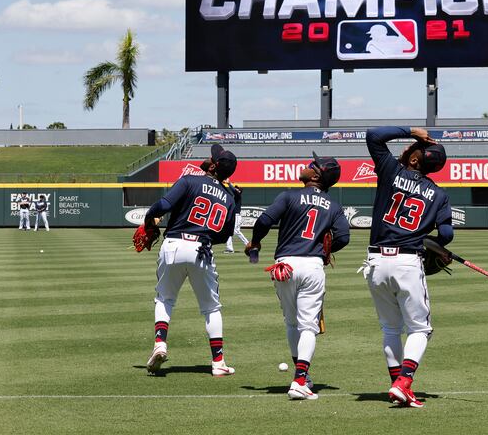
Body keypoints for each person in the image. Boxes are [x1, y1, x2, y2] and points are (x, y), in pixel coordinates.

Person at [360, 127, 453, 408]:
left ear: (414, 160)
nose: (406, 149)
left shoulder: (390, 171)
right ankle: (404, 382)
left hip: (376, 262)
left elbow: (374, 136)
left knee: (390, 328)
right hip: (407, 263)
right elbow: (446, 235)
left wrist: (413, 131)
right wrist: (435, 243)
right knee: (420, 329)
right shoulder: (438, 194)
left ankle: (396, 385)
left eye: (411, 149)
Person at [245, 152, 350, 400]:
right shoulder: (334, 206)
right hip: (312, 266)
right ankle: (300, 380)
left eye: (311, 165)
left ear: (316, 175)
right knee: (308, 327)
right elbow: (344, 238)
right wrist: (327, 250)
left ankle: (302, 378)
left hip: (285, 266)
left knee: (292, 324)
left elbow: (263, 221)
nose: (306, 166)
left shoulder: (289, 195)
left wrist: (256, 243)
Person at [143, 144, 241, 377]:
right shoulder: (229, 196)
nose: (209, 157)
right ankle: (218, 363)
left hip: (174, 244)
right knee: (211, 308)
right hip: (202, 249)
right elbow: (225, 235)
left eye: (213, 157)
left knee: (165, 299)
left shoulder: (189, 180)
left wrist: (148, 218)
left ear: (214, 165)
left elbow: (164, 206)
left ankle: (160, 343)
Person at [223, 181, 249, 253]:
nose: (235, 188)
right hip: (233, 216)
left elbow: (233, 190)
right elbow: (227, 191)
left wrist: (229, 183)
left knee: (236, 231)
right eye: (236, 187)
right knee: (229, 231)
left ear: (239, 190)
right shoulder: (234, 196)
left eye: (237, 188)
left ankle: (248, 244)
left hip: (237, 216)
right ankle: (229, 248)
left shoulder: (238, 195)